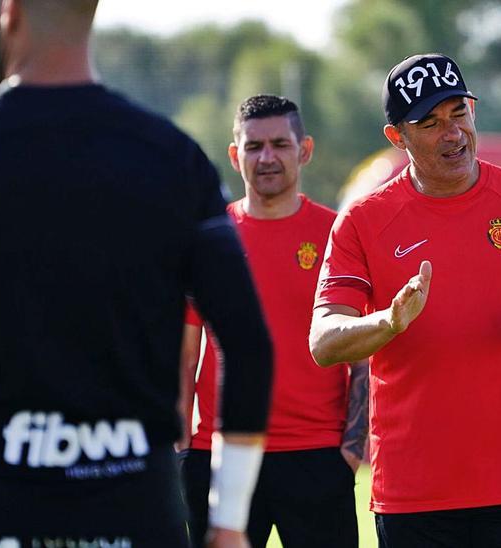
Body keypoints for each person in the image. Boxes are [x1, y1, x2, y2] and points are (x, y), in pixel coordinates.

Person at [0, 1, 272, 546]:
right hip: (130, 507)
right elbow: (248, 343)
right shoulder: (171, 157)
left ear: (9, 13)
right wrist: (230, 523)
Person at [309, 53, 501, 547]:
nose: (451, 133)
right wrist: (387, 322)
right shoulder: (363, 221)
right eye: (428, 122)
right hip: (416, 494)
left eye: (458, 114)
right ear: (397, 137)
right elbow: (323, 341)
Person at [178, 95, 368, 548]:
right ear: (234, 154)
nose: (267, 157)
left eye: (280, 144)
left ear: (304, 149)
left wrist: (352, 446)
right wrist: (182, 448)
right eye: (253, 146)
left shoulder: (338, 234)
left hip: (318, 455)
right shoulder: (208, 238)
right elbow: (182, 355)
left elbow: (362, 348)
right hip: (218, 454)